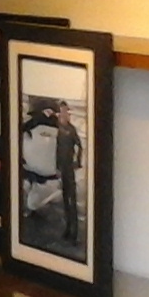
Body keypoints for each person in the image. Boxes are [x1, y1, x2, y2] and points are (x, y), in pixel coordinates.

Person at [54, 103, 84, 245]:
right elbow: (54, 148)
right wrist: (56, 166)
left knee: (72, 200)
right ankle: (67, 228)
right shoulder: (57, 128)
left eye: (65, 111)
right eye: (61, 112)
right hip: (61, 167)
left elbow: (79, 146)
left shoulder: (71, 130)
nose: (63, 114)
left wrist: (77, 161)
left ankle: (74, 232)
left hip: (69, 168)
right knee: (65, 200)